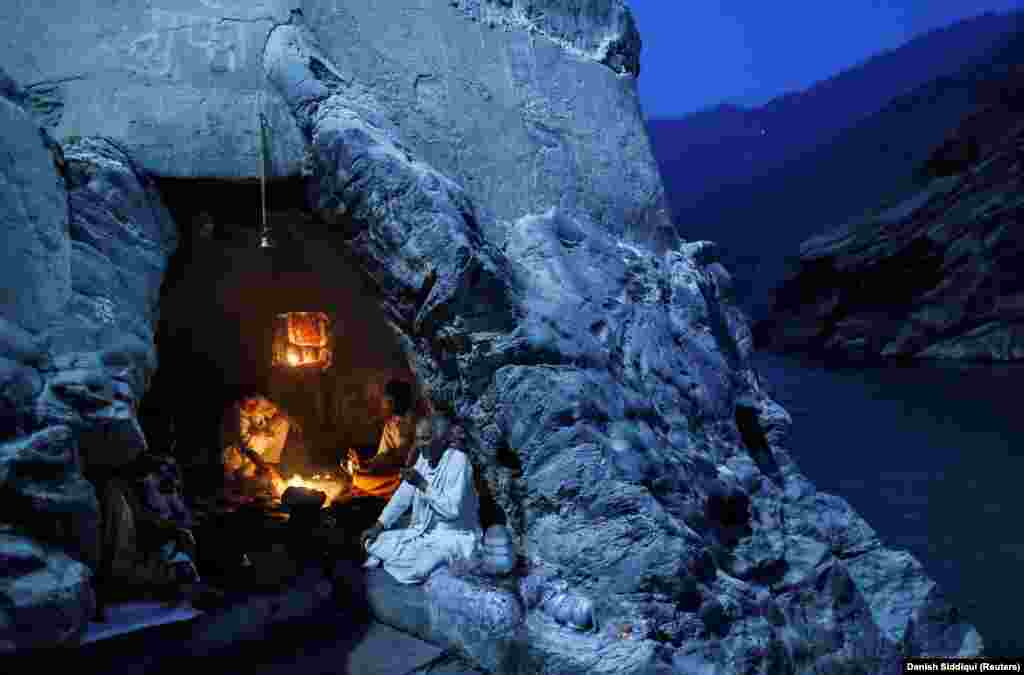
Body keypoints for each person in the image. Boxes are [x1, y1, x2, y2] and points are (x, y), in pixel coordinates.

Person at [359, 414, 482, 584]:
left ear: (441, 439)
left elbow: (453, 510)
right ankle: (395, 559)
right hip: (423, 534)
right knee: (373, 541)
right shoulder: (423, 460)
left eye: (425, 439)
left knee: (420, 568)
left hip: (452, 538)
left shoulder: (458, 461)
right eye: (418, 439)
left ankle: (391, 561)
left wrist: (422, 484)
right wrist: (378, 526)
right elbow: (402, 497)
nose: (420, 445)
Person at [347, 380, 416, 499]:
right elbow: (382, 455)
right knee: (358, 478)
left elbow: (408, 456)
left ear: (397, 402)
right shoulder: (389, 426)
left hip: (410, 474)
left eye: (387, 401)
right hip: (393, 474)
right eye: (385, 401)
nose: (383, 404)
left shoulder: (416, 422)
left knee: (403, 483)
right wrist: (363, 464)